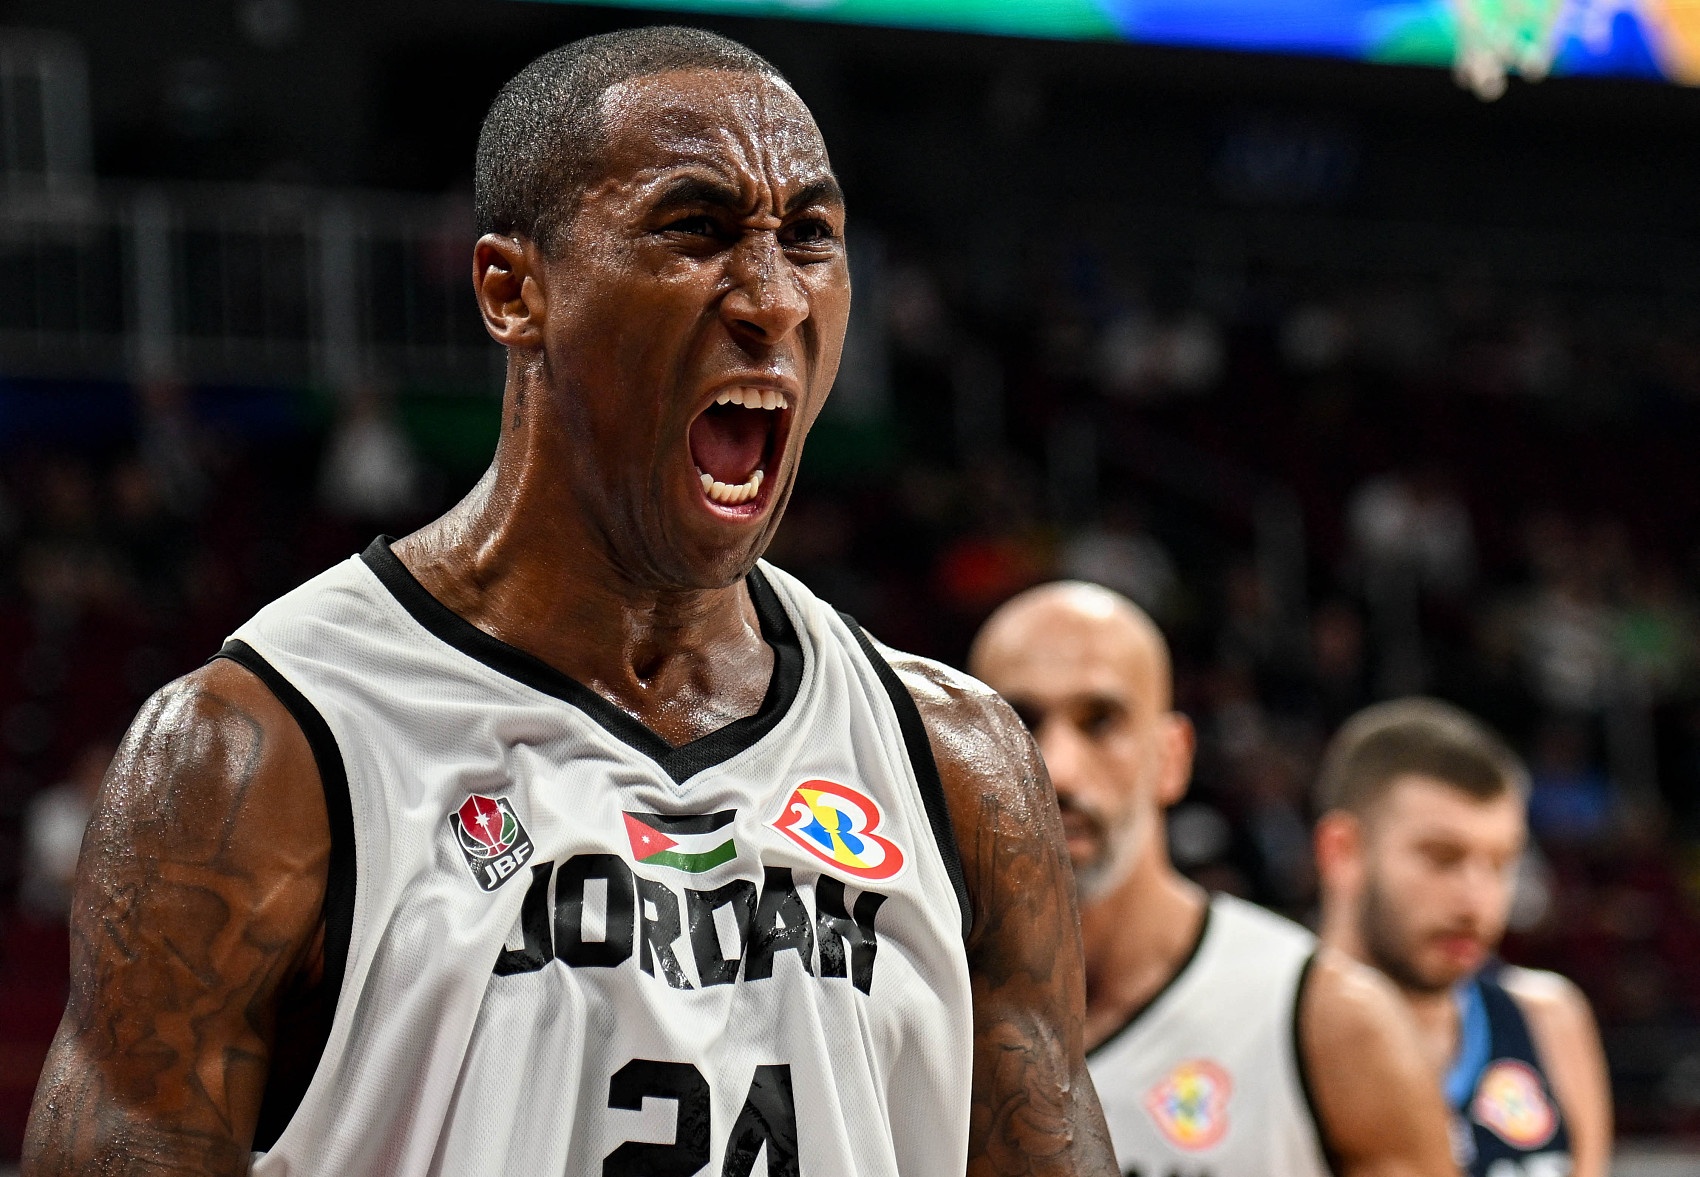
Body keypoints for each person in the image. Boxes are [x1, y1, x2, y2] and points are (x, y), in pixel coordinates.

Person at [24, 28, 1116, 1177]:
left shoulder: (954, 764)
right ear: (513, 290)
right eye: (695, 228)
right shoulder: (258, 754)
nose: (770, 299)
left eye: (808, 237)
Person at [970, 582, 1458, 1177]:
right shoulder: (910, 1007)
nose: (1059, 770)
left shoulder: (1328, 1020)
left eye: (1101, 722)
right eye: (1017, 723)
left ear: (1172, 757)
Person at [1314, 698, 1612, 1177]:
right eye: (1442, 858)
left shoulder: (1547, 1020)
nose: (1477, 902)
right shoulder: (1262, 1034)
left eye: (1500, 863)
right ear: (1343, 852)